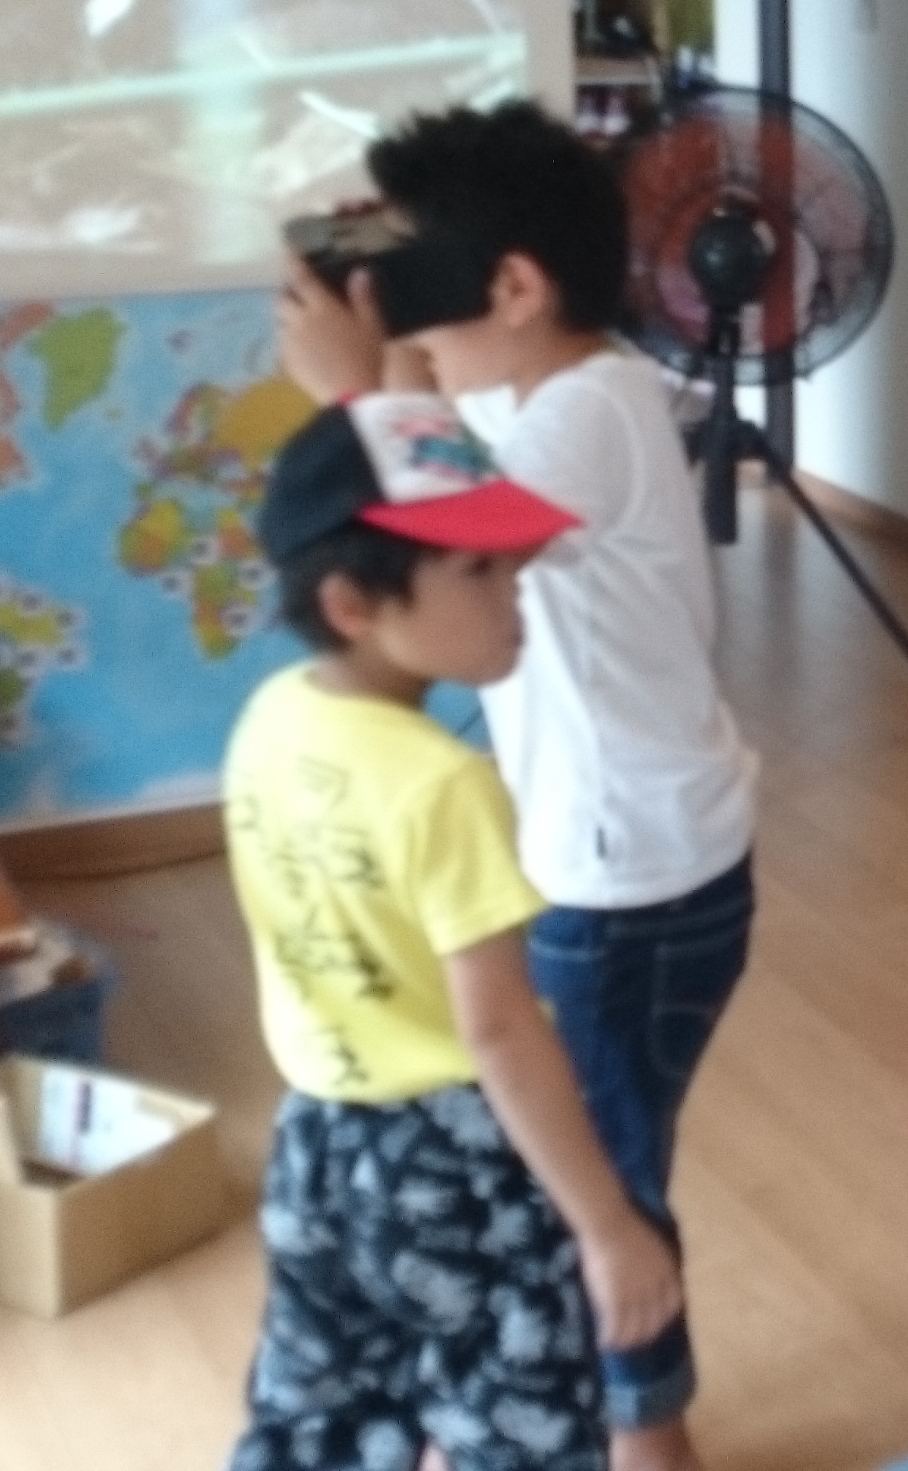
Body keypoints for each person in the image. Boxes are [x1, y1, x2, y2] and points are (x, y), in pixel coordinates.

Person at [279, 100, 759, 1471]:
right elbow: (433, 460)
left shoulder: (594, 410)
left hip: (633, 886)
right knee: (595, 1164)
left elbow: (461, 531)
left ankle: (648, 1444)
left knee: (590, 1186)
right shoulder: (528, 391)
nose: (415, 325)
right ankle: (633, 1423)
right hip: (628, 859)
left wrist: (358, 389)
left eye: (428, 279)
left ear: (514, 288)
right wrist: (394, 337)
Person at [223, 392, 679, 1471]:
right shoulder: (443, 784)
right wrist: (607, 1224)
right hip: (454, 1169)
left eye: (512, 566)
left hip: (316, 1144)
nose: (516, 595)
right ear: (351, 602)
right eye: (478, 572)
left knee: (317, 1419)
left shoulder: (272, 718)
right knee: (520, 1432)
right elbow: (502, 1032)